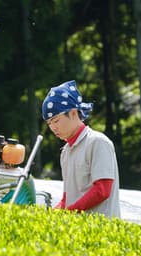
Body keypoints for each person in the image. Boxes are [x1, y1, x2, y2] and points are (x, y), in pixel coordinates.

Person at [42, 80, 120, 218]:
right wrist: (52, 216)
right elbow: (67, 198)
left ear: (73, 113)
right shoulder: (65, 152)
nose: (53, 128)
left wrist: (69, 212)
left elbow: (102, 190)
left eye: (55, 120)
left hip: (102, 231)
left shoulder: (97, 142)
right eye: (49, 123)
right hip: (76, 230)